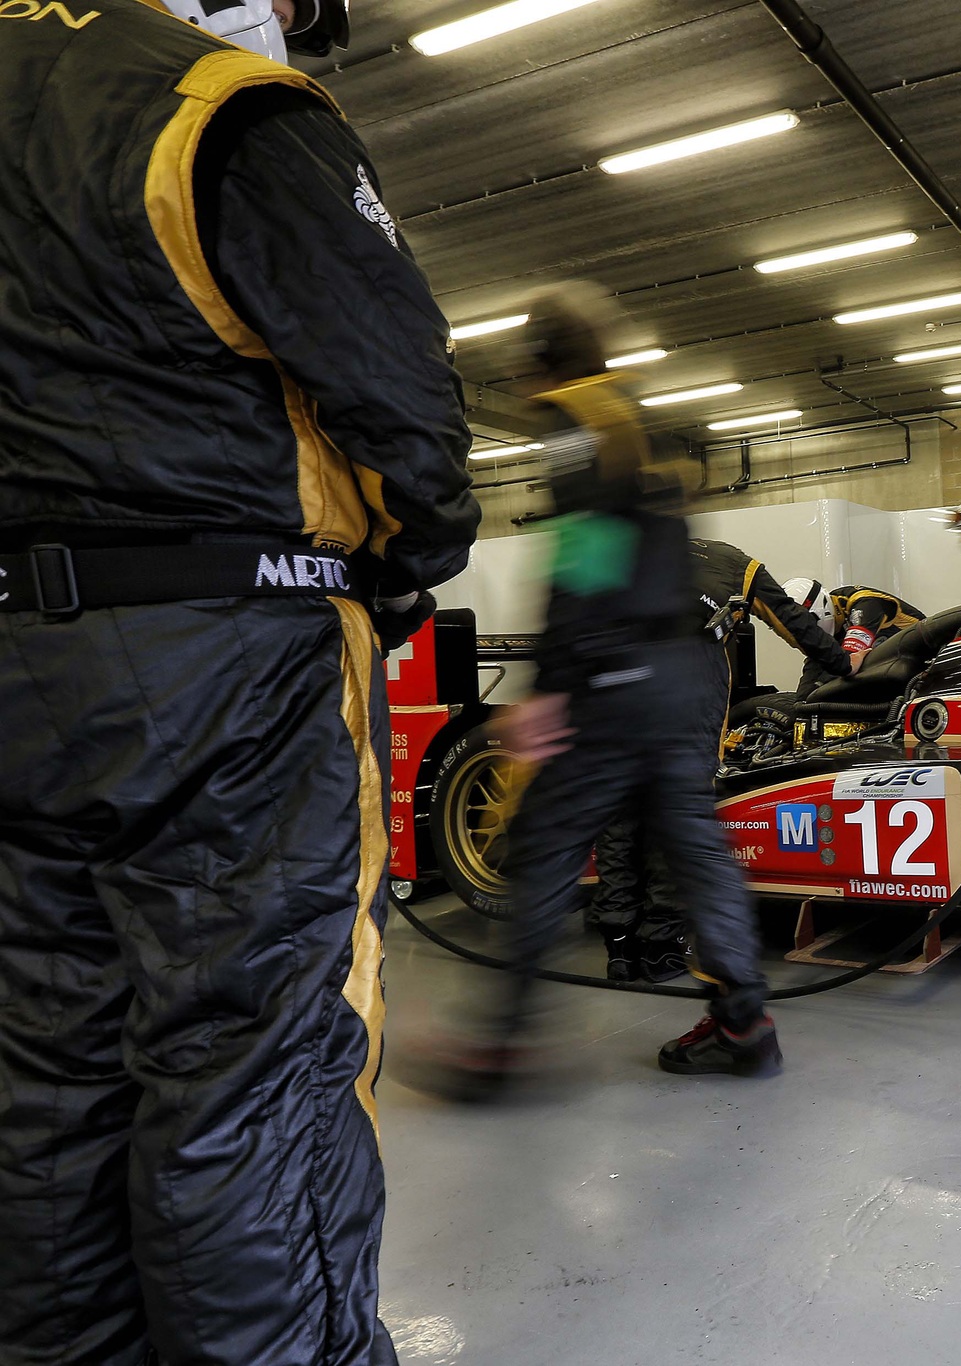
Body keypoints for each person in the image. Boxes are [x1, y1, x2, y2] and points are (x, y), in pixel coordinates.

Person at [0, 1, 479, 1361]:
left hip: (18, 678)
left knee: (51, 1083)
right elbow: (411, 426)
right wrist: (397, 567)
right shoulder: (217, 103)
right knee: (250, 1073)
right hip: (228, 660)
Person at [484, 285, 780, 1081]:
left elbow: (585, 551)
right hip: (685, 668)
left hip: (617, 670)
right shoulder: (639, 417)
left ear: (537, 363)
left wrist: (549, 682)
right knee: (695, 847)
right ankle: (744, 1025)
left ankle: (501, 1043)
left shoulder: (574, 420)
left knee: (545, 838)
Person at [590, 540, 852, 981]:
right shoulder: (732, 562)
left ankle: (619, 950)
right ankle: (661, 950)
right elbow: (795, 625)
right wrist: (844, 664)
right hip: (686, 693)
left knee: (620, 819)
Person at [795, 583, 926, 697]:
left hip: (922, 669)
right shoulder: (835, 616)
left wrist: (816, 690)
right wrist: (801, 700)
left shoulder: (866, 602)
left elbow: (847, 662)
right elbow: (816, 664)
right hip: (892, 670)